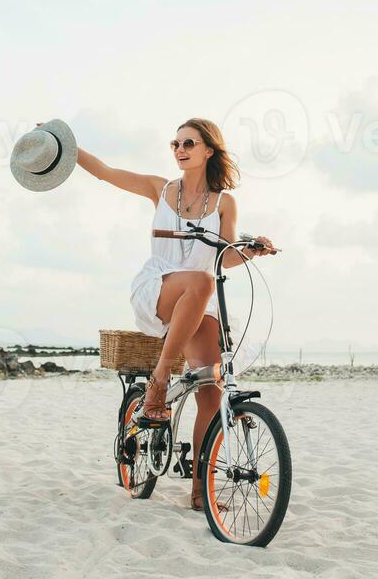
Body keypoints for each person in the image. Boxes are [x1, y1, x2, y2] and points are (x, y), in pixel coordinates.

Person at [72, 117, 274, 511]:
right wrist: (67, 147)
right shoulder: (159, 189)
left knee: (213, 396)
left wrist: (251, 250)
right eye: (176, 144)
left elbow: (226, 255)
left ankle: (200, 490)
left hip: (201, 301)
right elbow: (106, 173)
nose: (180, 149)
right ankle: (160, 381)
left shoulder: (224, 202)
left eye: (189, 143)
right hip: (159, 288)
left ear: (208, 151)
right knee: (200, 280)